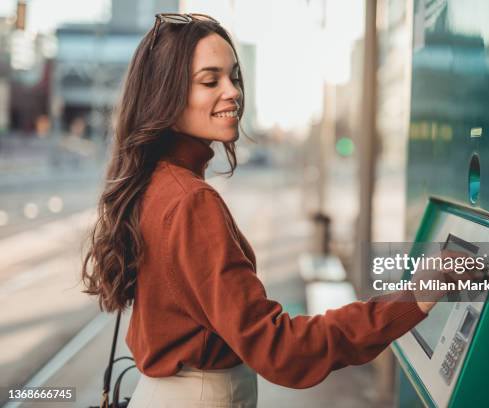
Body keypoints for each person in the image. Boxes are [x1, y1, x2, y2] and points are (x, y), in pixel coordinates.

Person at [81, 13, 460, 408]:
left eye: (235, 77)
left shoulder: (154, 183)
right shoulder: (191, 202)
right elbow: (280, 349)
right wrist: (413, 297)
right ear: (166, 97)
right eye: (210, 81)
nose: (232, 92)